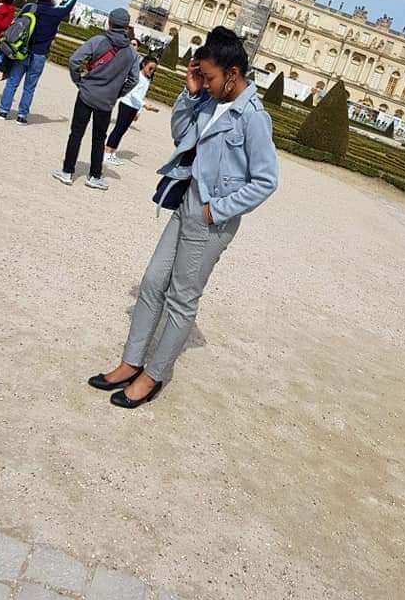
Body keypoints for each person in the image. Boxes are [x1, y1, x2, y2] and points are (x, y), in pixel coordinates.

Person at [89, 26, 278, 408]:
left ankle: (153, 376)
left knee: (181, 297)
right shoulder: (209, 100)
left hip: (212, 219)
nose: (205, 83)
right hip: (187, 203)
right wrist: (190, 94)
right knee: (152, 281)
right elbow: (180, 136)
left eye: (209, 77)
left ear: (233, 75)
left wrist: (216, 210)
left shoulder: (253, 117)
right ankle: (131, 362)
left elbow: (266, 181)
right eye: (201, 77)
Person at [52, 8, 139, 190]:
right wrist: (117, 93)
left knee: (76, 133)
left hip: (87, 94)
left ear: (110, 22)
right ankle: (94, 176)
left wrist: (79, 81)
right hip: (107, 101)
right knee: (99, 139)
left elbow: (74, 61)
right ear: (126, 27)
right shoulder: (132, 53)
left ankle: (67, 172)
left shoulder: (98, 41)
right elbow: (134, 80)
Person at [0, 0, 79, 124]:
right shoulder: (56, 13)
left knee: (12, 82)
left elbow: (16, 25)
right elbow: (69, 5)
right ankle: (22, 116)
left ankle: (3, 111)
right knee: (29, 87)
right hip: (39, 55)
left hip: (22, 51)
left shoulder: (30, 8)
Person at [105, 55, 160, 166]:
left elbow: (141, 95)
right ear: (143, 64)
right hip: (126, 104)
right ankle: (107, 153)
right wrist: (145, 105)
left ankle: (113, 152)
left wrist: (138, 111)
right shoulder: (137, 76)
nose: (152, 71)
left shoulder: (147, 79)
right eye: (150, 68)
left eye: (154, 70)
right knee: (118, 129)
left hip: (134, 107)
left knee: (123, 130)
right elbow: (133, 93)